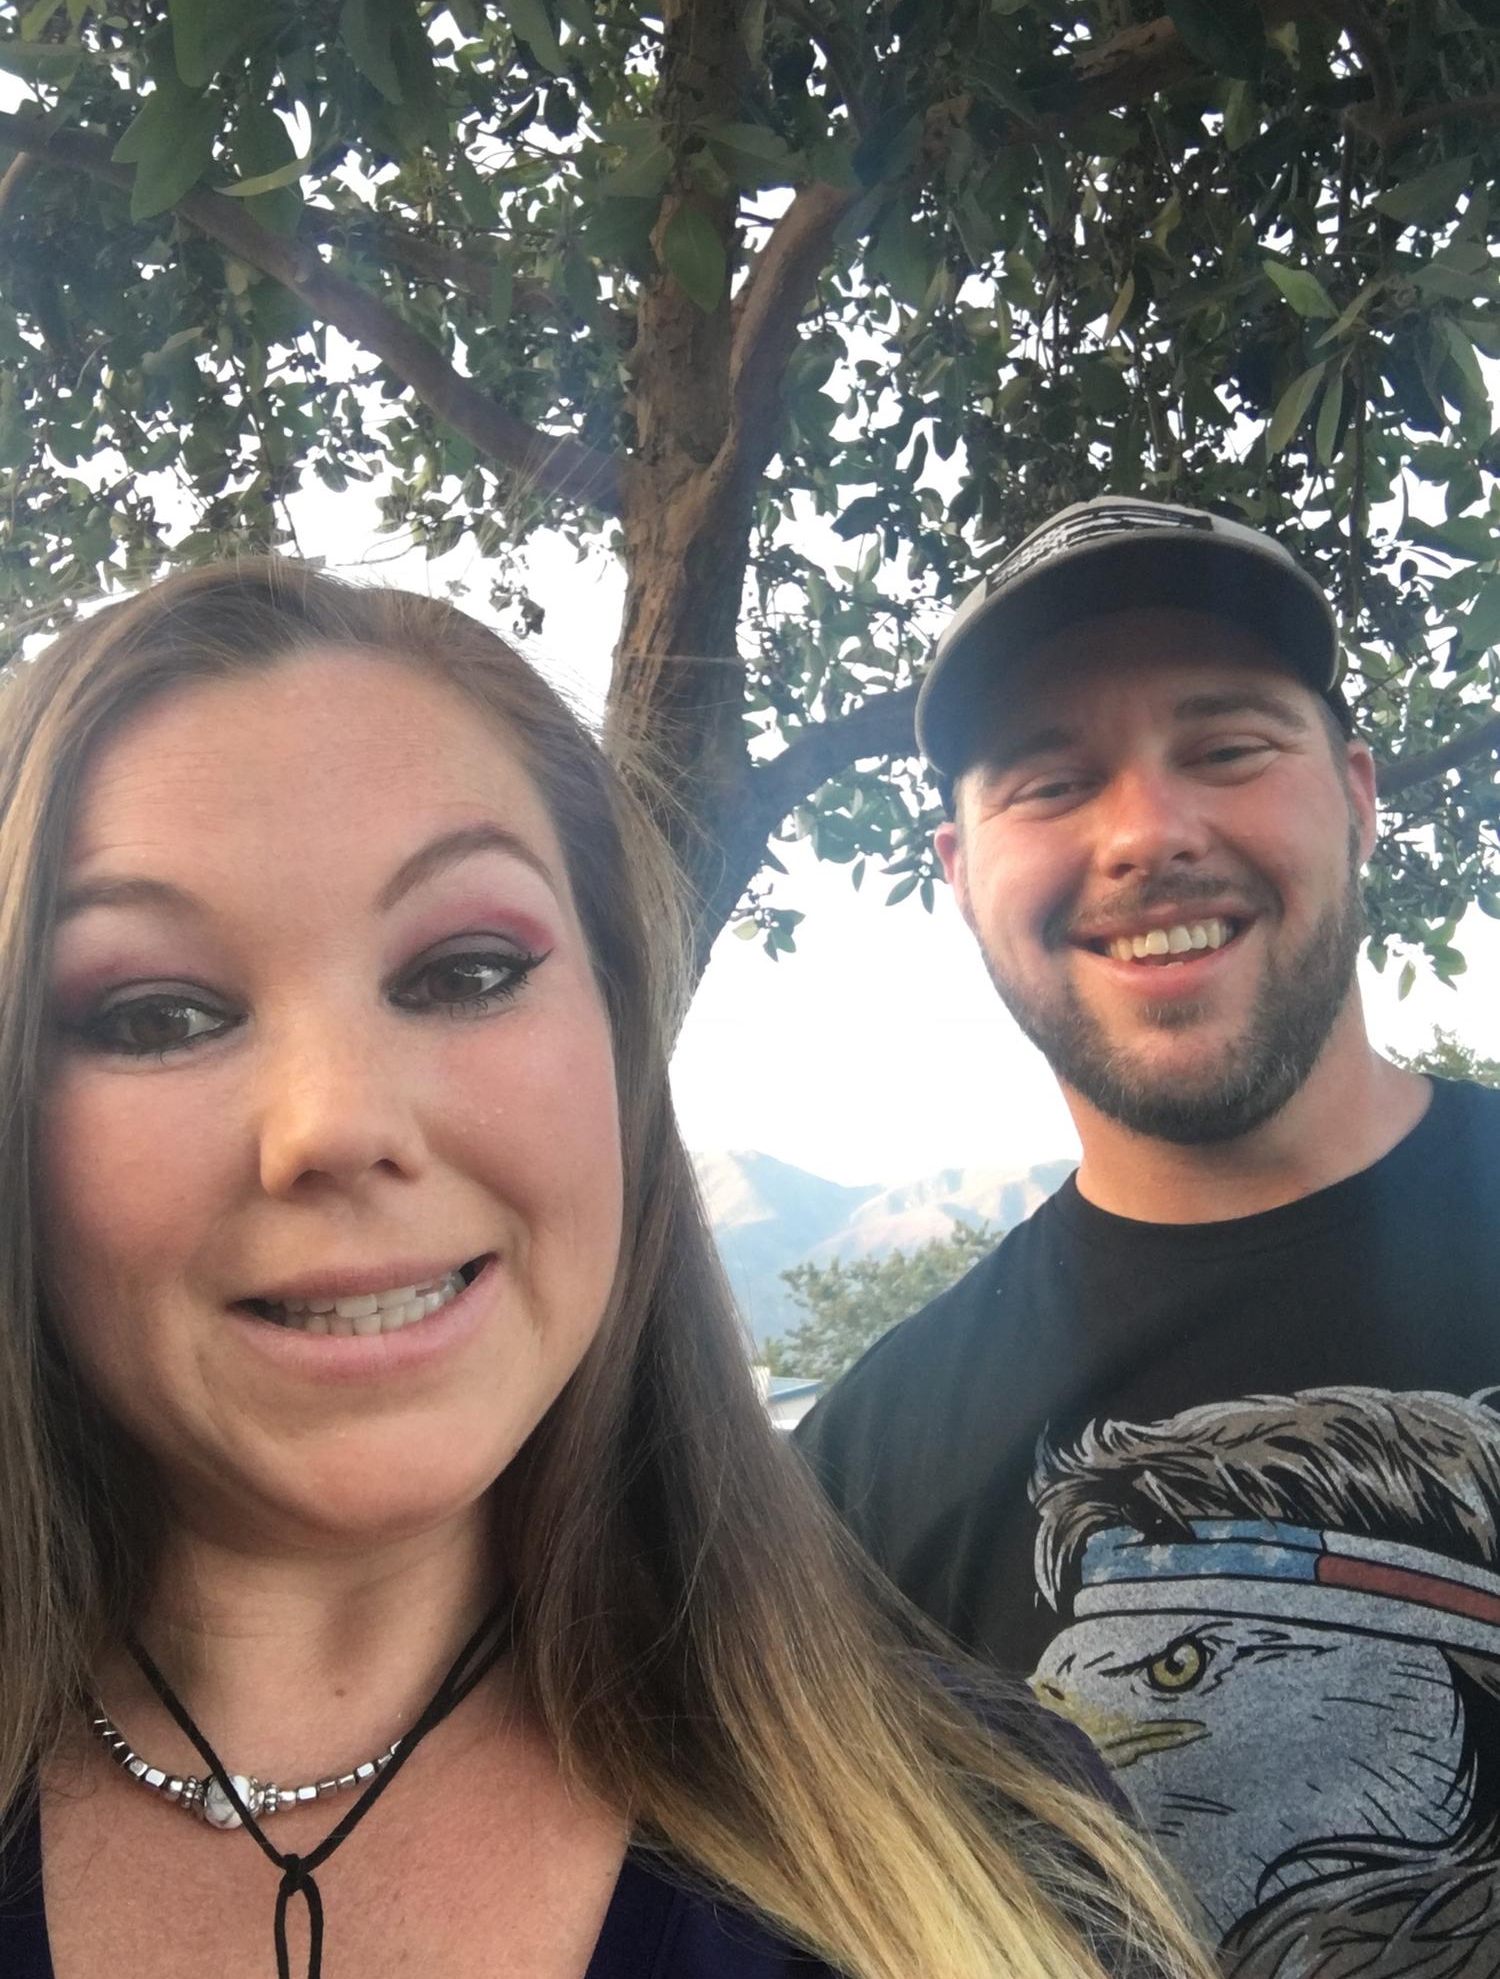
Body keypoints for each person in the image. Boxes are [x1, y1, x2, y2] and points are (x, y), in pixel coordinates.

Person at [0, 558, 1210, 1979]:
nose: (338, 1123)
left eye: (464, 972)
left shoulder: (1007, 1857)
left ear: (623, 1058)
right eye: (156, 1013)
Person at [795, 496, 1500, 1974]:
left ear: (1357, 797)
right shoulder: (855, 1485)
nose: (1146, 835)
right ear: (959, 874)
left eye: (1228, 749)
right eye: (1051, 784)